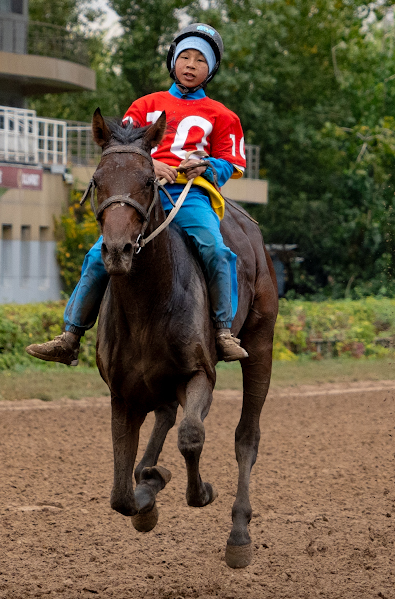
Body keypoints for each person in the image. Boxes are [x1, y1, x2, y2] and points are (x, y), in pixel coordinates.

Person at [27, 23, 249, 365]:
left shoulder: (223, 115)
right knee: (97, 254)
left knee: (216, 249)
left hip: (190, 196)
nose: (190, 65)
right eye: (184, 57)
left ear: (211, 69)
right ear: (172, 61)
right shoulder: (146, 104)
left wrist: (205, 166)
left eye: (200, 61)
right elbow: (122, 147)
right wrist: (153, 164)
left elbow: (232, 162)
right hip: (140, 193)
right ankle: (70, 337)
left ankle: (222, 331)